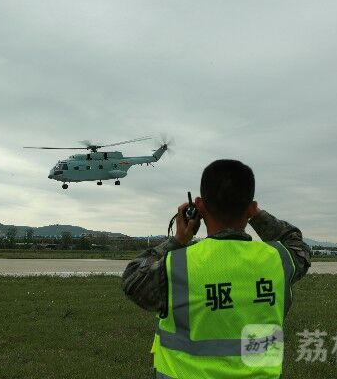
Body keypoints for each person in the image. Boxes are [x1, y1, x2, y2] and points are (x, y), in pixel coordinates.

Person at [121, 159, 311, 378]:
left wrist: (178, 240)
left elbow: (132, 279)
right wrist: (258, 215)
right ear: (250, 207)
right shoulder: (279, 260)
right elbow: (297, 244)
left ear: (199, 206)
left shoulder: (177, 265)